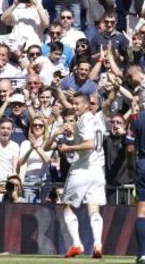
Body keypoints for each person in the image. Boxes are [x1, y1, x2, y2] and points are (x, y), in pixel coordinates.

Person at [60, 93, 106, 259]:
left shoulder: (84, 119)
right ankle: (98, 244)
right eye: (73, 103)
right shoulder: (98, 120)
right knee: (93, 208)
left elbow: (90, 144)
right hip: (97, 170)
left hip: (82, 169)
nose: (74, 106)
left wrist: (68, 148)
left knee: (67, 206)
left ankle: (77, 244)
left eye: (78, 104)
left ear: (87, 105)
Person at [127, 106, 145, 264]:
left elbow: (130, 146)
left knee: (142, 212)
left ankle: (142, 253)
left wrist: (129, 167)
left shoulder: (135, 118)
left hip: (143, 164)